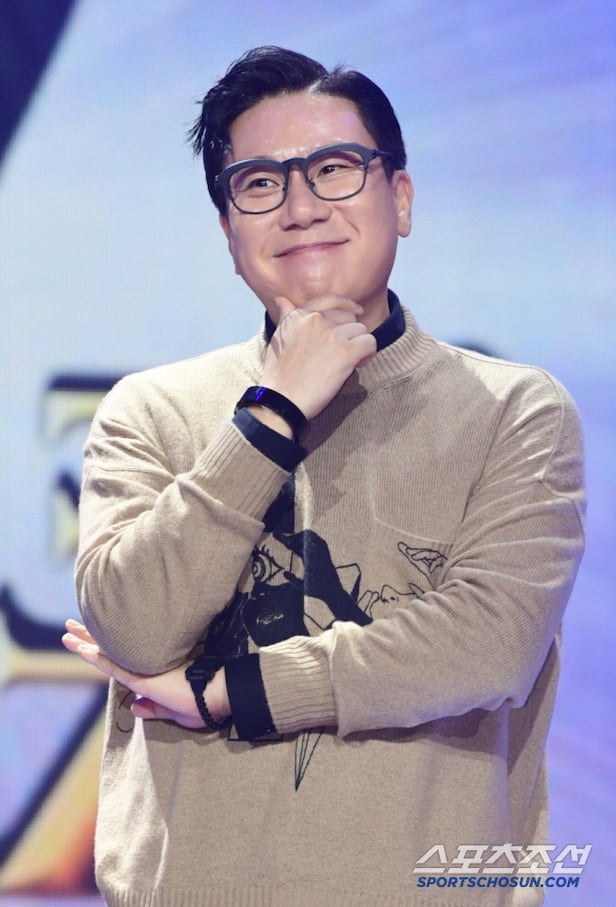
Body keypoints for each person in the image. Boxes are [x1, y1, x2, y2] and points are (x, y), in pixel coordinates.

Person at [62, 46, 585, 907]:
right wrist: (269, 415)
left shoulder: (512, 410)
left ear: (400, 198)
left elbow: (489, 642)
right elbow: (136, 629)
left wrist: (230, 692)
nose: (301, 206)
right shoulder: (150, 410)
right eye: (260, 183)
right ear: (229, 234)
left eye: (335, 169)